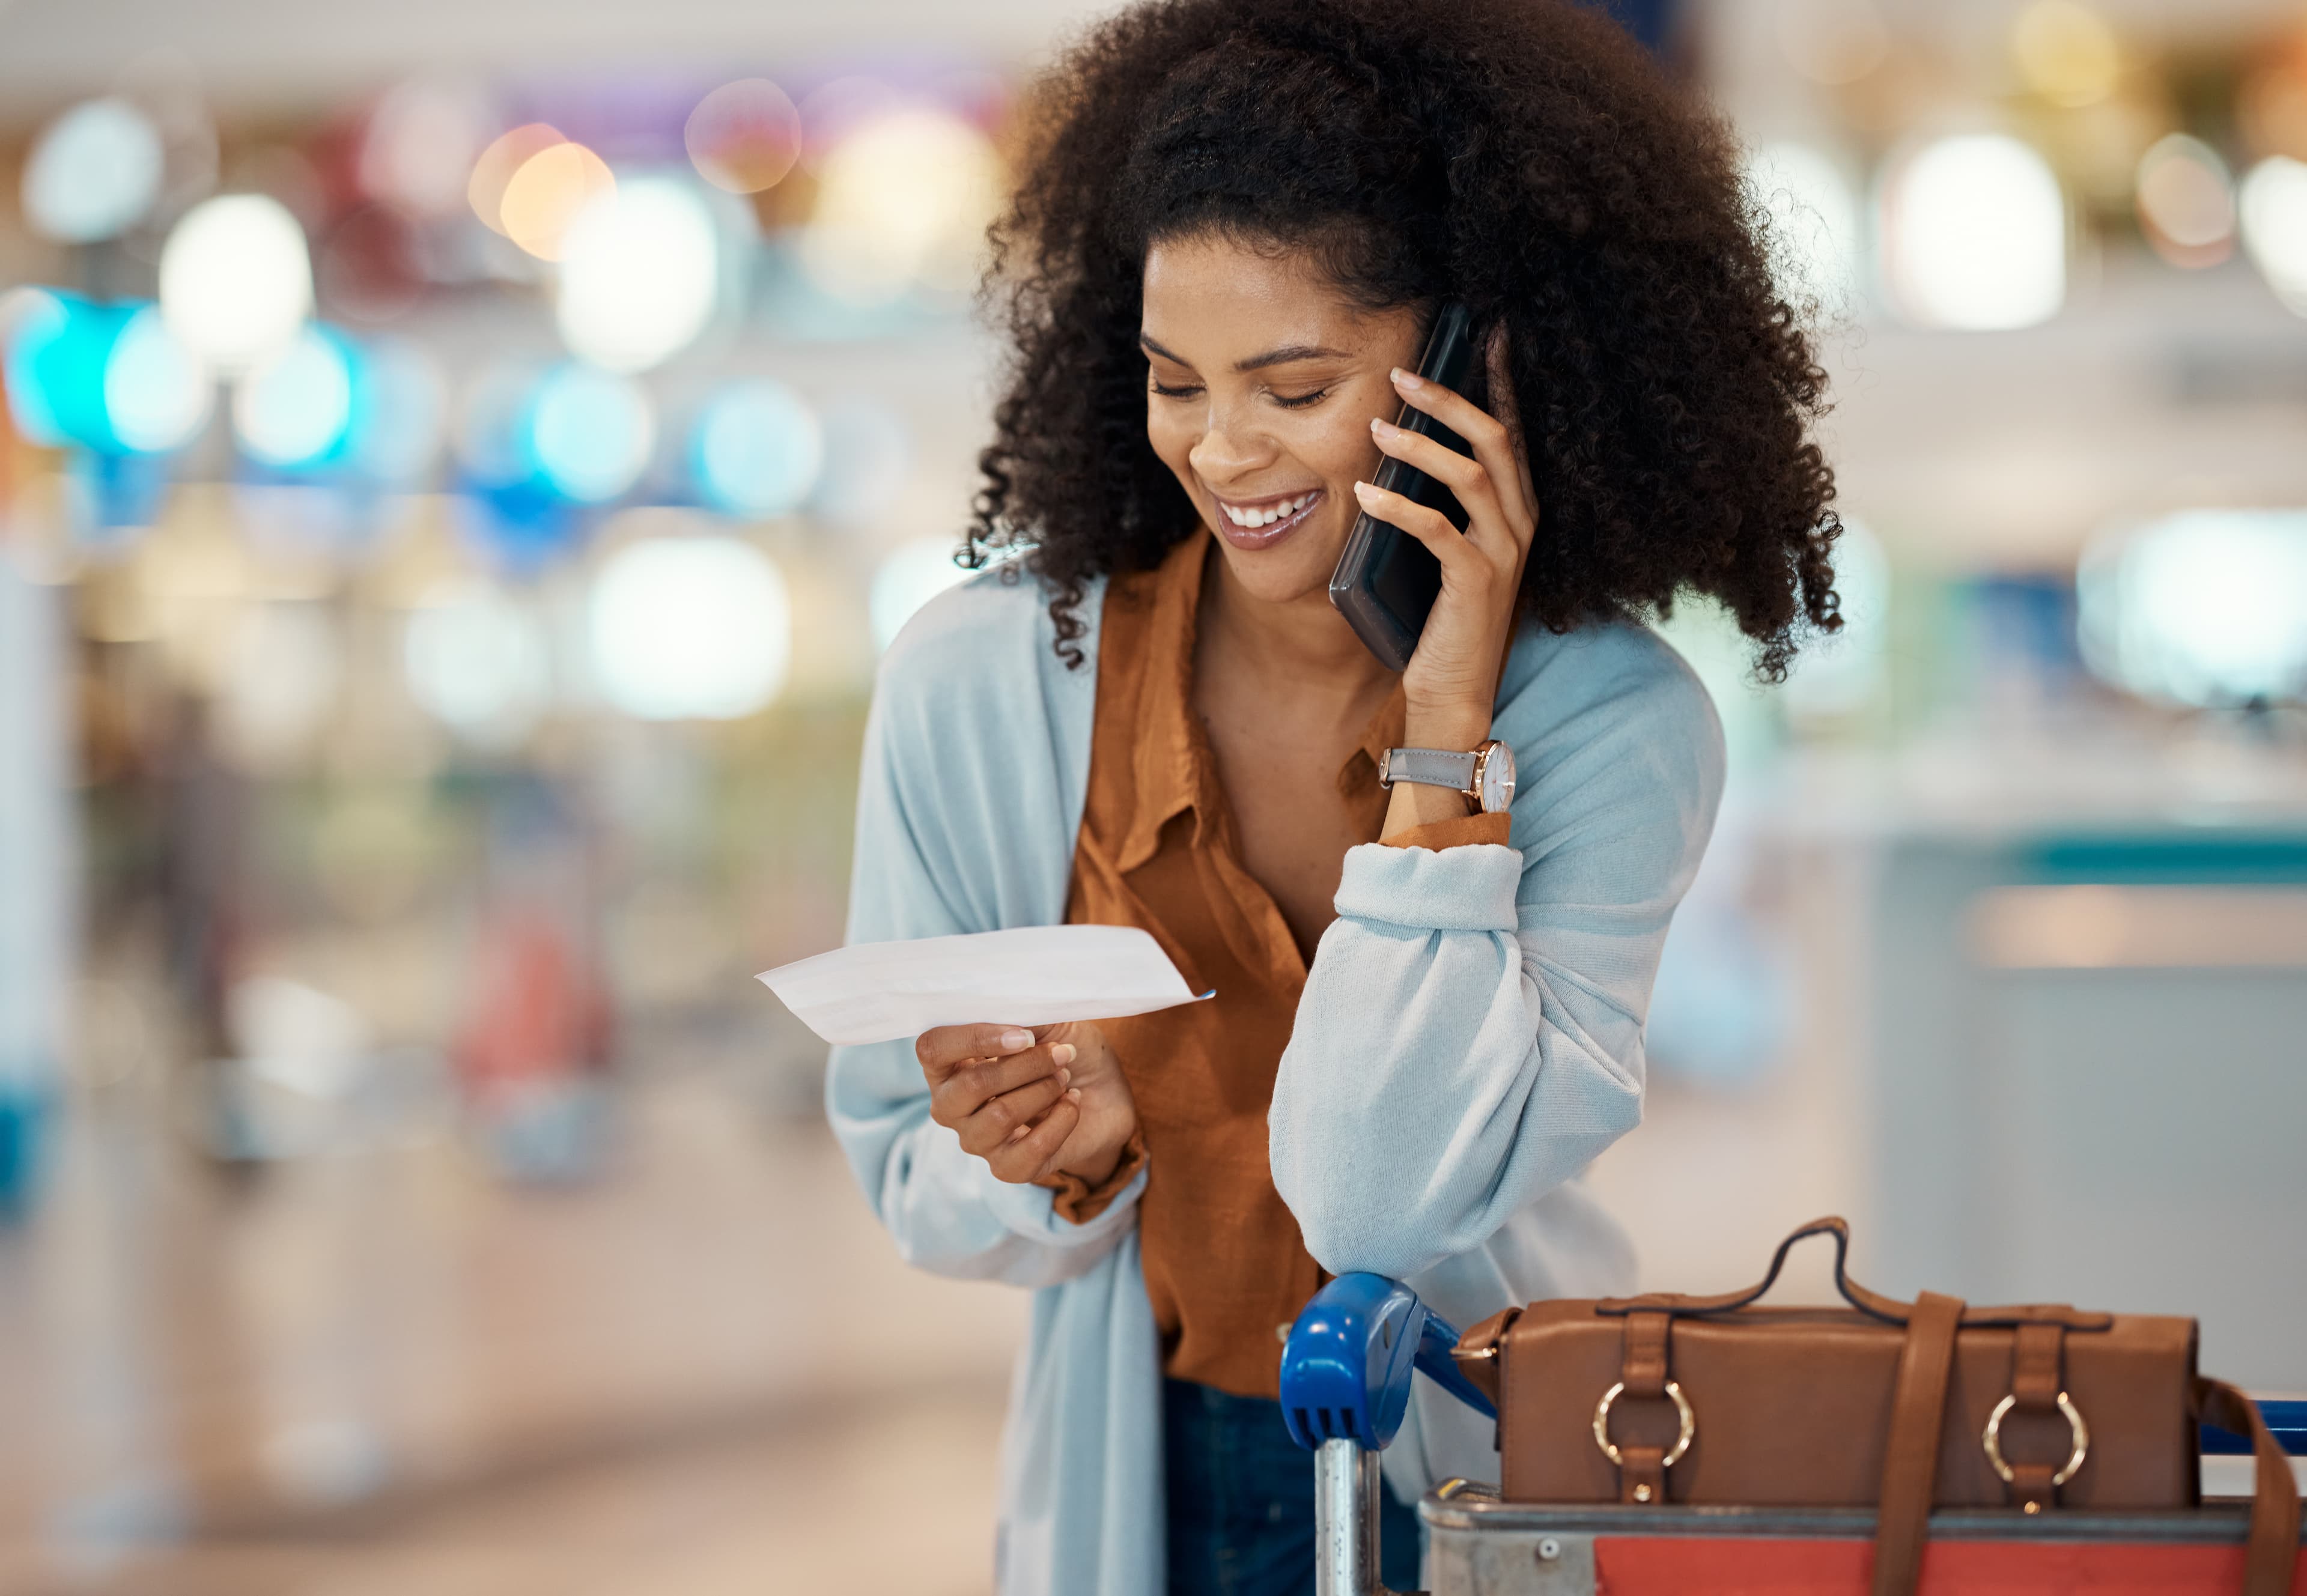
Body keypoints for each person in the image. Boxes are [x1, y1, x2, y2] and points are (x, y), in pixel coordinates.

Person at [826, 2, 1841, 1591]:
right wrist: (1068, 1156)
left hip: (1484, 1474)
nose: (1223, 452)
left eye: (1291, 386)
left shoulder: (1610, 724)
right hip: (1140, 1479)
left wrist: (1445, 723)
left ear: (1473, 369)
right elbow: (911, 1170)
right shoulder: (982, 688)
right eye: (1175, 381)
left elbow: (1380, 1198)